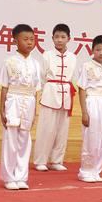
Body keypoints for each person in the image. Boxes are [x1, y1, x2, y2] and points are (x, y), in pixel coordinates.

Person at [0, 24, 41, 190]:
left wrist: (35, 111)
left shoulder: (36, 63)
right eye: (25, 39)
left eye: (32, 39)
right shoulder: (9, 62)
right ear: (15, 40)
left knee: (25, 139)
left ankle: (21, 176)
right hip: (13, 100)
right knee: (11, 139)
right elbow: (4, 87)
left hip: (29, 101)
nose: (29, 42)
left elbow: (36, 89)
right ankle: (9, 177)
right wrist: (2, 109)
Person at [33, 23, 77, 172]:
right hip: (50, 93)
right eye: (57, 37)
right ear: (52, 38)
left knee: (62, 129)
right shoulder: (47, 55)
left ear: (69, 39)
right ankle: (41, 160)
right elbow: (42, 76)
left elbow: (73, 77)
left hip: (66, 93)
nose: (59, 40)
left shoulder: (73, 57)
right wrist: (48, 90)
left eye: (63, 37)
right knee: (46, 128)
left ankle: (57, 160)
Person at [77, 35, 102, 182]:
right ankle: (85, 171)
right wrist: (84, 112)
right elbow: (81, 89)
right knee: (90, 138)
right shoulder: (86, 66)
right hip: (92, 102)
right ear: (92, 50)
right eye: (98, 49)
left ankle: (96, 170)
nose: (101, 52)